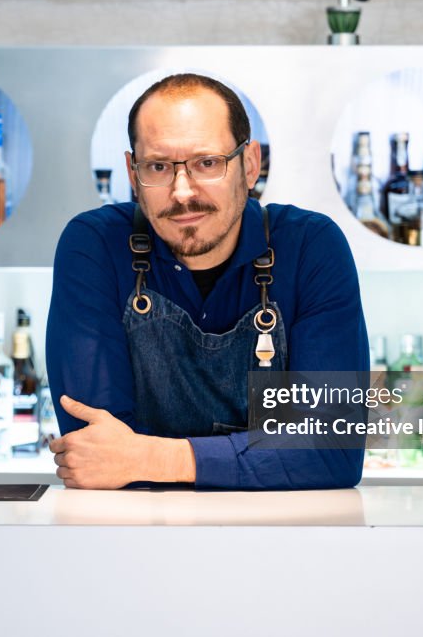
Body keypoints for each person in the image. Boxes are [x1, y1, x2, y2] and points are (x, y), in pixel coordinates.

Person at [46, 73, 368, 490]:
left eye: (207, 163)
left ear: (249, 165)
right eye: (158, 166)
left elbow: (333, 450)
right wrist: (261, 458)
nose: (182, 192)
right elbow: (95, 452)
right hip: (133, 526)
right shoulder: (95, 245)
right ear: (132, 172)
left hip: (278, 526)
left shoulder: (309, 246)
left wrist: (152, 457)